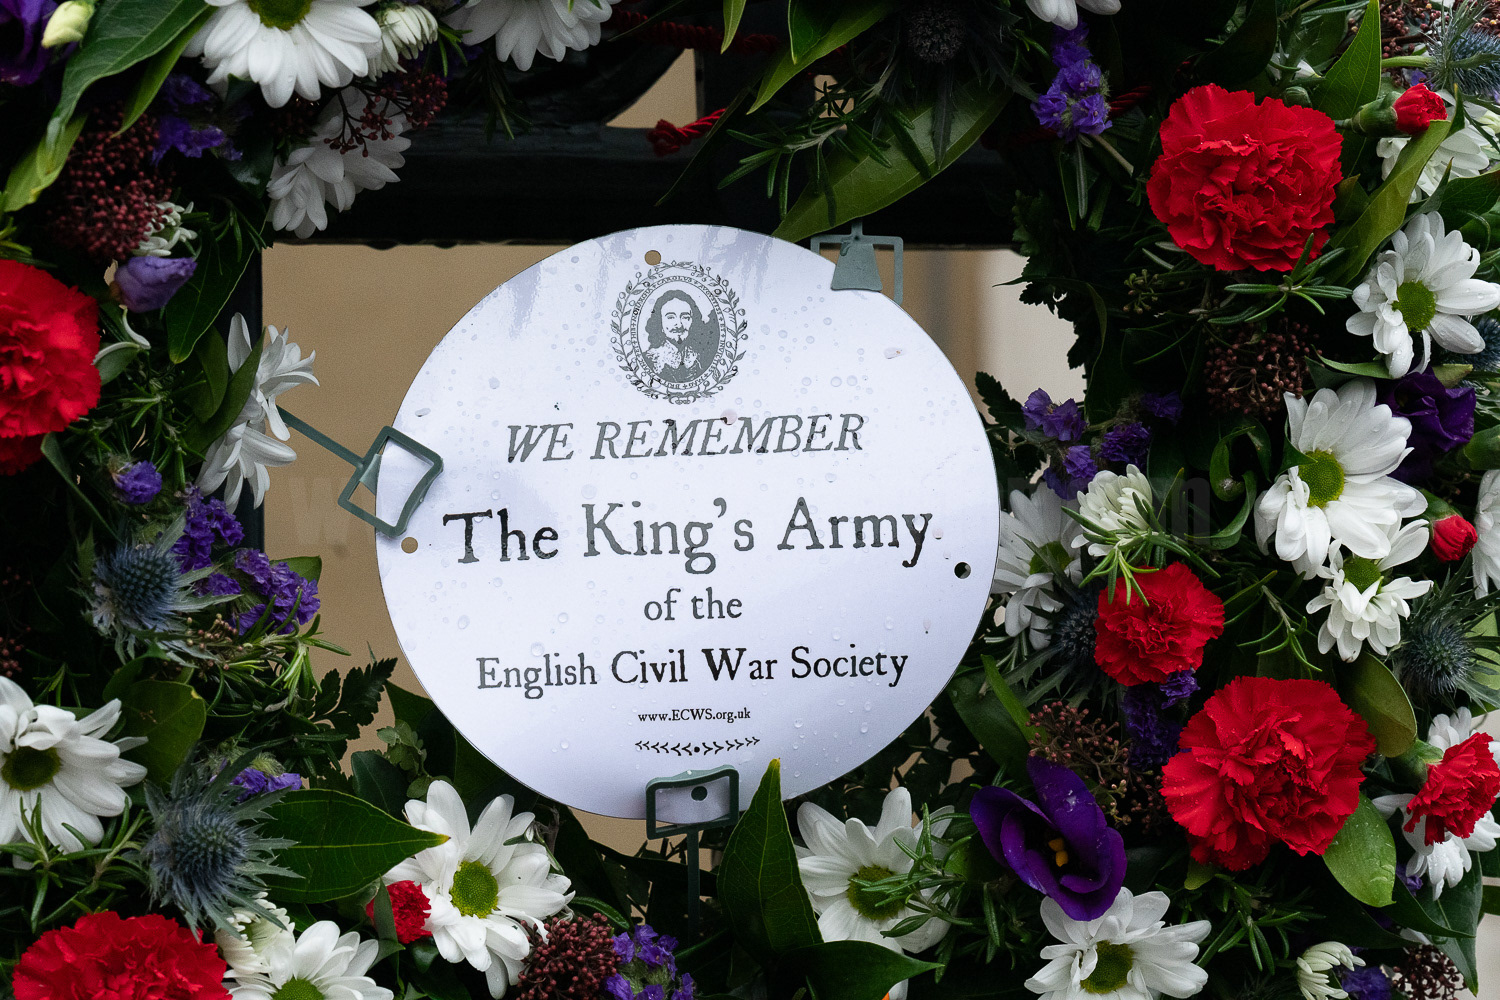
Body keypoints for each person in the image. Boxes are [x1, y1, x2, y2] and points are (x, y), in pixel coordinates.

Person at [644, 288, 716, 382]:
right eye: (670, 317)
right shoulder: (649, 360)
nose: (679, 324)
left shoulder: (701, 359)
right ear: (659, 323)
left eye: (685, 317)